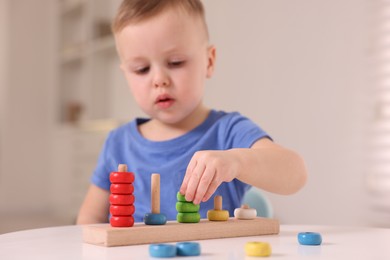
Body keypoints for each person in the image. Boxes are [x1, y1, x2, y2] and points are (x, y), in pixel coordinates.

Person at [76, 0, 307, 224]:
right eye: (141, 69)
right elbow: (89, 220)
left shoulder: (228, 132)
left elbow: (295, 173)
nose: (159, 80)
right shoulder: (118, 143)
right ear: (126, 74)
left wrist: (236, 161)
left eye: (175, 62)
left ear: (209, 61)